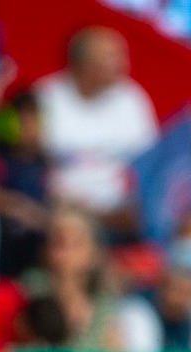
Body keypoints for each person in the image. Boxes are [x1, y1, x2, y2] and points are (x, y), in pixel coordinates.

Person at [28, 27, 157, 223]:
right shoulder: (44, 99)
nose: (124, 64)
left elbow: (151, 163)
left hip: (122, 211)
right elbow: (28, 163)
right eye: (112, 57)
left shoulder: (132, 99)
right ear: (84, 65)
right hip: (61, 208)